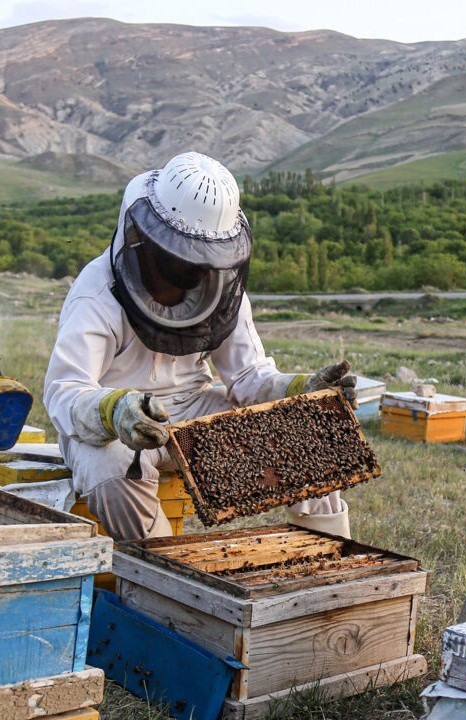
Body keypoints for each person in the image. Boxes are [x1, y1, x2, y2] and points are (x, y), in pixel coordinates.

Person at [44, 151, 356, 542]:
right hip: (114, 426)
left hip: (193, 408)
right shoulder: (96, 294)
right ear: (147, 239)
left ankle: (332, 562)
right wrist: (114, 410)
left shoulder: (221, 289)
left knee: (302, 436)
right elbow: (65, 391)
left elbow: (248, 375)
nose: (197, 270)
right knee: (111, 467)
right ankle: (167, 568)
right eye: (186, 256)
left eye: (206, 257)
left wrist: (300, 390)